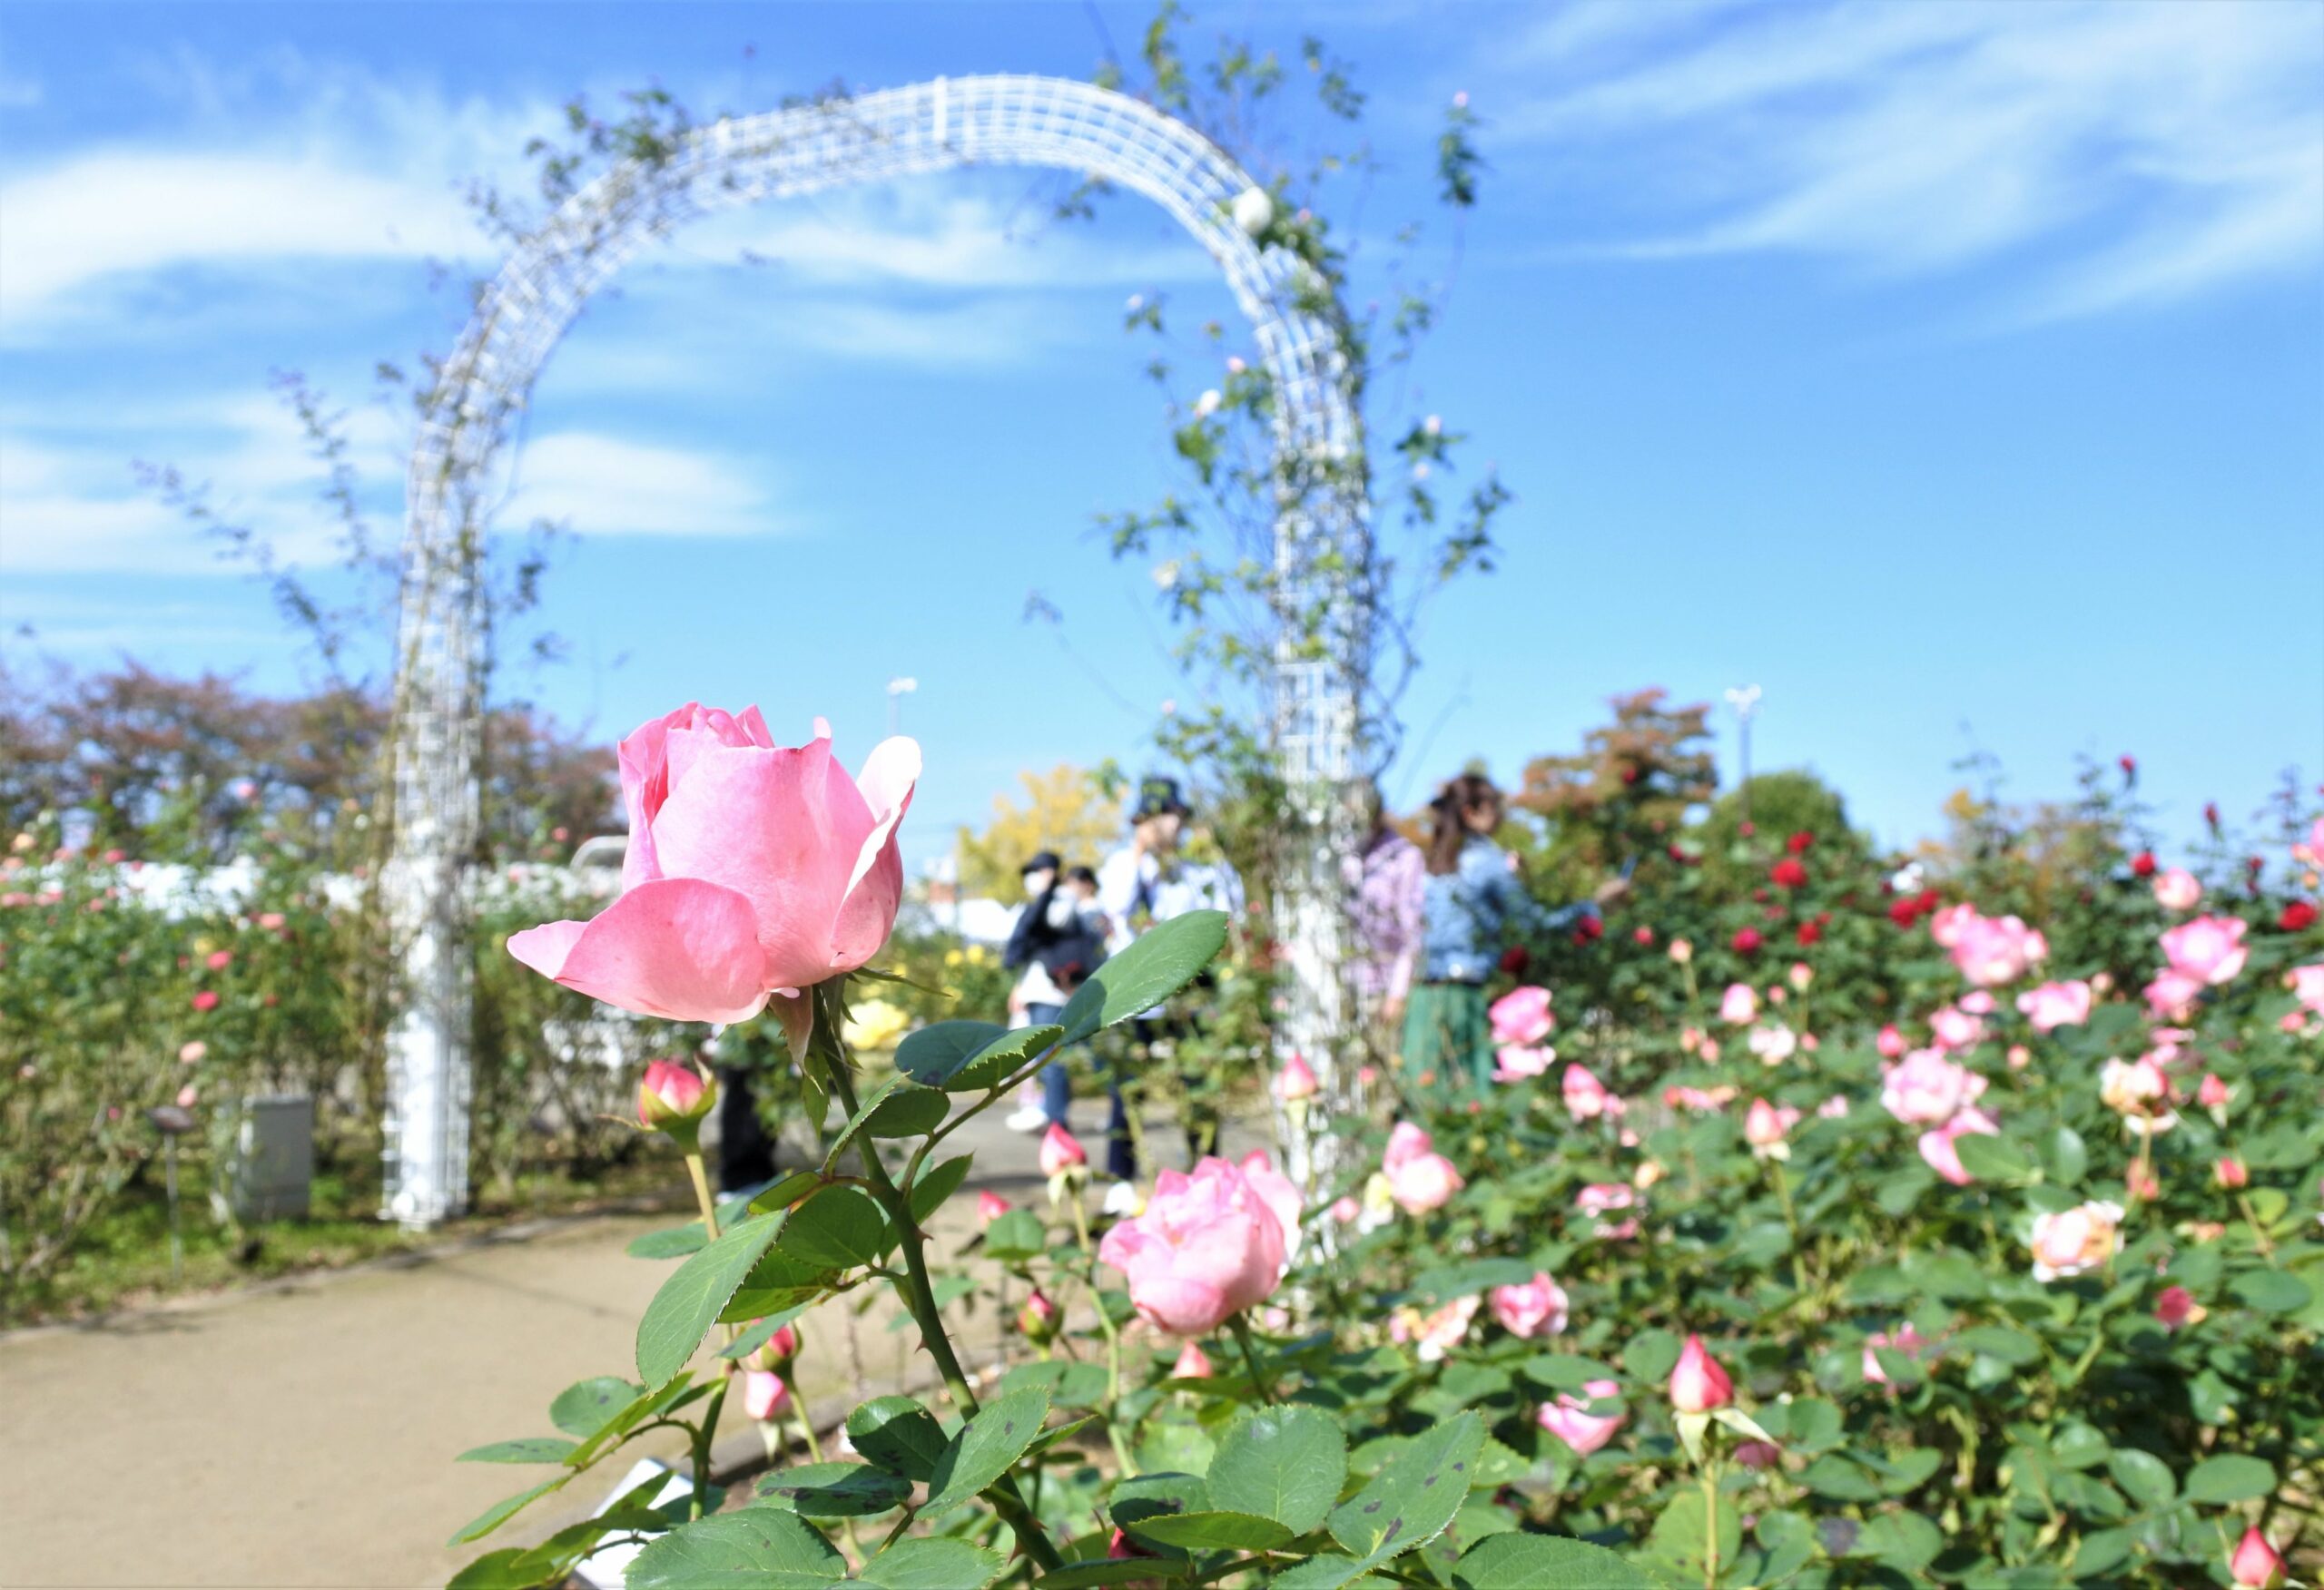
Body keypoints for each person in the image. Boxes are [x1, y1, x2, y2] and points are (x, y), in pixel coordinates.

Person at [1403, 772, 1628, 1103]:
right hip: (1465, 998)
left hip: (1424, 996)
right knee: (1474, 1101)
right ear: (1472, 813)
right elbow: (1534, 923)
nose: (1502, 815)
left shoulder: (1432, 864)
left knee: (1424, 1097)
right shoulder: (1489, 863)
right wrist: (1594, 905)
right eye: (1496, 807)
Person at [1093, 776, 1243, 1202]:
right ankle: (1122, 1181)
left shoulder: (1196, 871)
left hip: (1187, 994)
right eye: (1161, 818)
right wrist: (1141, 852)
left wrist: (1211, 851)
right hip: (1133, 994)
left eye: (1174, 818)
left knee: (1199, 1086)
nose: (1170, 827)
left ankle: (1203, 1174)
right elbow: (1115, 909)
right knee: (1127, 1090)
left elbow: (1227, 907)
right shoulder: (1124, 864)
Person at [1347, 779, 1425, 1049]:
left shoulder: (1403, 857)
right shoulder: (1342, 854)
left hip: (1382, 985)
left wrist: (1397, 994)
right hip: (1343, 982)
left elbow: (1412, 931)